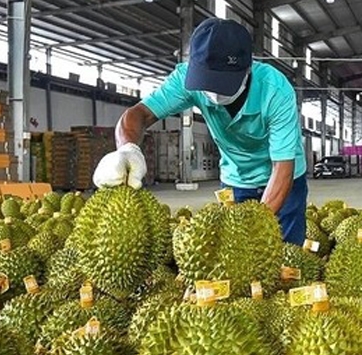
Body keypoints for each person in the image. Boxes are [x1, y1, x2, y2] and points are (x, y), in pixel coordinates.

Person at [92, 18, 308, 244]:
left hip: (285, 180)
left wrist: (255, 224)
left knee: (287, 252)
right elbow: (138, 114)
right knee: (234, 253)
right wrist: (127, 149)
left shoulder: (276, 90)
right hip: (236, 177)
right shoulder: (186, 80)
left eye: (221, 81)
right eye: (207, 81)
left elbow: (282, 167)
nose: (213, 92)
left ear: (247, 68)